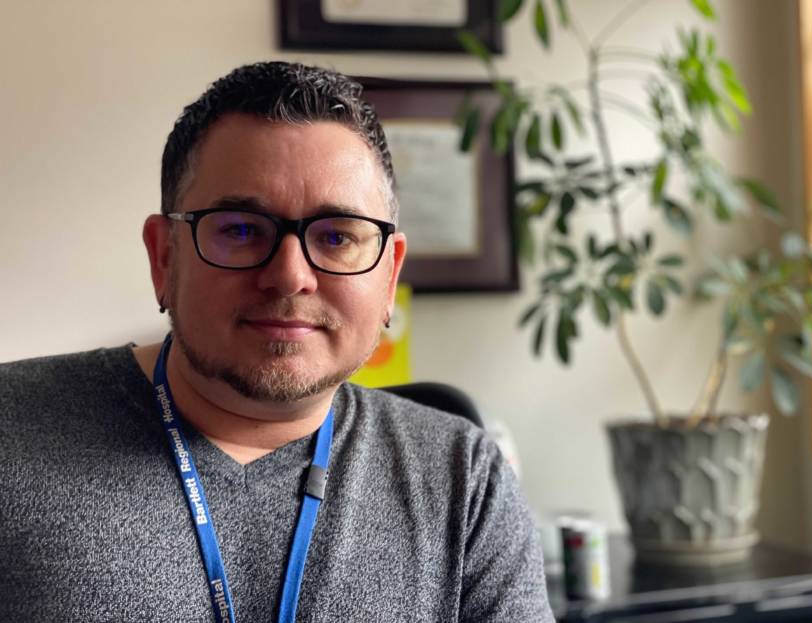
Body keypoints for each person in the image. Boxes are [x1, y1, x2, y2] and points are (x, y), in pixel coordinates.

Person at [0, 61, 555, 622]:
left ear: (389, 276)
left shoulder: (465, 479)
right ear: (164, 258)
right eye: (241, 229)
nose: (290, 276)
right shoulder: (12, 430)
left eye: (337, 236)